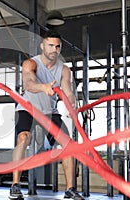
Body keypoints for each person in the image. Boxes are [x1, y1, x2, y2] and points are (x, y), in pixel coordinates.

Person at [9, 30, 84, 200]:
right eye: (50, 45)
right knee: (23, 138)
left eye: (57, 46)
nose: (54, 49)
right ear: (42, 46)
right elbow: (28, 84)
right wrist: (43, 87)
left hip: (49, 112)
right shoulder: (30, 63)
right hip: (27, 108)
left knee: (68, 145)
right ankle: (15, 185)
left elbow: (67, 91)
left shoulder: (64, 69)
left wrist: (72, 103)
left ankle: (70, 189)